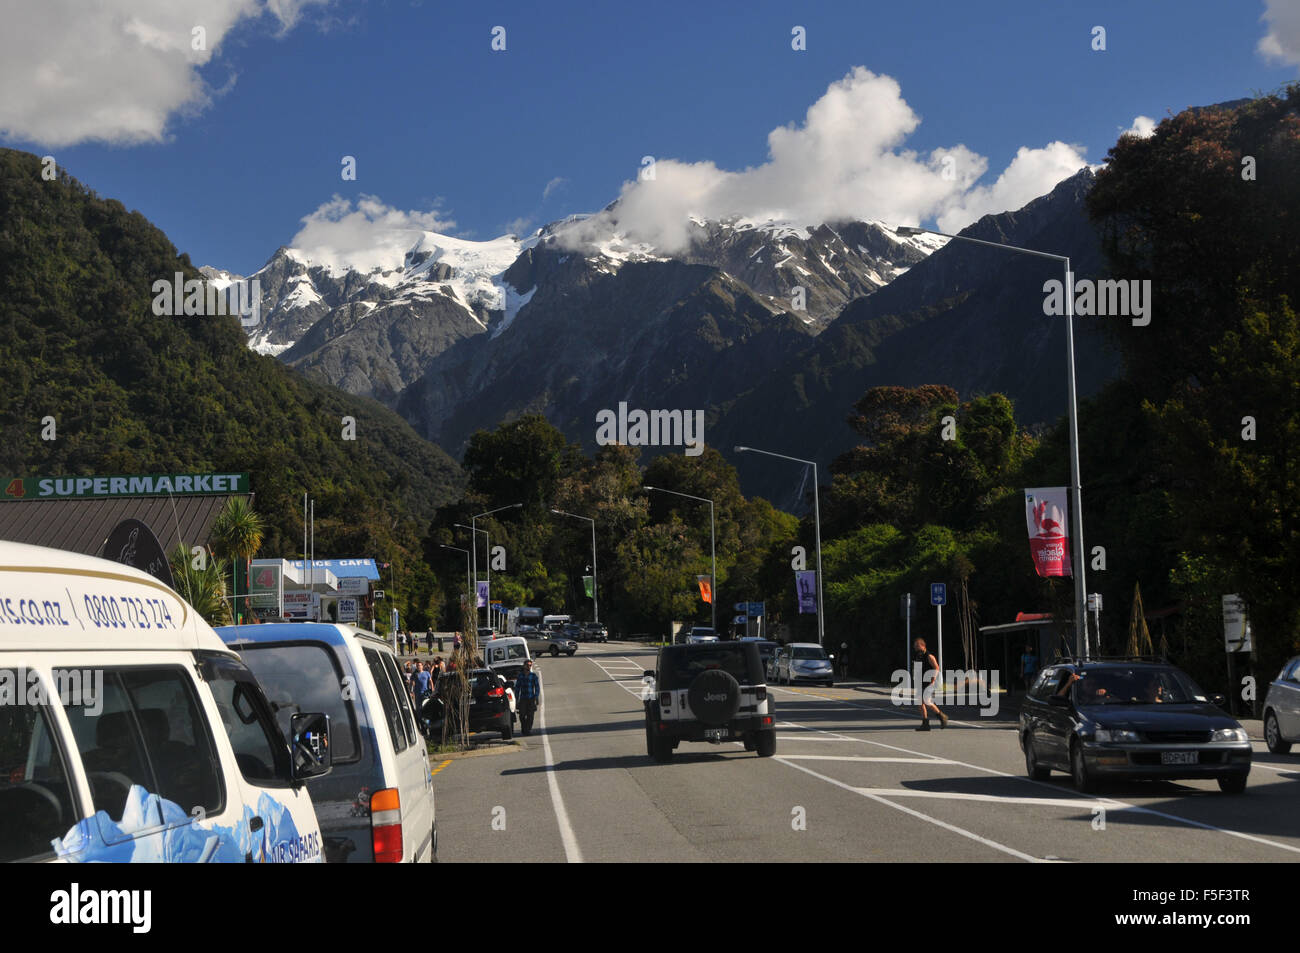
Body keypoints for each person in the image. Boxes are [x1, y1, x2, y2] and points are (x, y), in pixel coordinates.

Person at [912, 637, 948, 730]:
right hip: (920, 682)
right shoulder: (918, 656)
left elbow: (936, 668)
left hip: (929, 683)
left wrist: (933, 680)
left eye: (917, 646)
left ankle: (942, 716)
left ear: (923, 646)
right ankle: (925, 724)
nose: (915, 648)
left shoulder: (929, 656)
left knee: (927, 701)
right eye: (914, 646)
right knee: (920, 703)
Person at [514, 659, 541, 736]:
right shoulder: (520, 676)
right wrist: (516, 698)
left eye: (530, 665)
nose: (529, 666)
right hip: (523, 698)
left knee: (530, 716)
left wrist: (536, 697)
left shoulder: (533, 676)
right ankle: (524, 728)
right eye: (528, 665)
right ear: (524, 666)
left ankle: (528, 730)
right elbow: (517, 687)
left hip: (531, 698)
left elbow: (537, 687)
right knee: (522, 715)